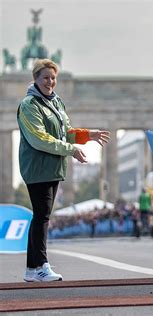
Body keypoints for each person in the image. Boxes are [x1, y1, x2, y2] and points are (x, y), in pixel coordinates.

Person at [17, 59, 110, 281]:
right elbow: (40, 138)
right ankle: (41, 265)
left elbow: (65, 132)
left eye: (53, 78)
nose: (50, 82)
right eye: (45, 78)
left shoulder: (56, 102)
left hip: (53, 167)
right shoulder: (30, 105)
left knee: (41, 216)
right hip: (38, 167)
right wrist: (71, 150)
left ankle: (32, 270)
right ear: (36, 79)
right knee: (42, 216)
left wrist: (87, 135)